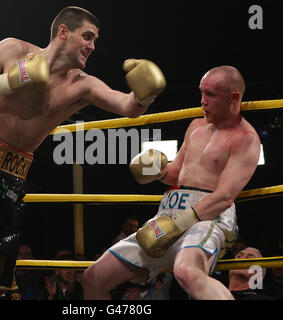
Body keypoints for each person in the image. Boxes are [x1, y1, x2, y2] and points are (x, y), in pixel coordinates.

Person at [0, 6, 165, 300]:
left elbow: (128, 107)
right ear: (63, 32)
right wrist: (9, 80)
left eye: (95, 40)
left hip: (13, 183)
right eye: (88, 36)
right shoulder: (13, 50)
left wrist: (145, 94)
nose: (92, 46)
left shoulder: (81, 85)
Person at [82, 65, 261, 300]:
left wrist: (180, 223)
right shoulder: (195, 127)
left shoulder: (246, 139)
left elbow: (225, 197)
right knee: (93, 278)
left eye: (211, 95)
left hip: (209, 217)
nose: (203, 101)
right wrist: (157, 171)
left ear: (234, 97)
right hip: (168, 213)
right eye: (201, 93)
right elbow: (176, 174)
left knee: (187, 272)